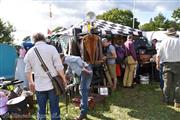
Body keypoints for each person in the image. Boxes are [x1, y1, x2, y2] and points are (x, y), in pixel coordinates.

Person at [24, 33, 67, 120]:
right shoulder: (51, 48)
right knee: (54, 109)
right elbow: (59, 66)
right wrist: (63, 78)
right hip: (53, 86)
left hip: (39, 86)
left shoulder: (29, 52)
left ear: (34, 40)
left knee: (41, 111)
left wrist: (31, 83)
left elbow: (27, 71)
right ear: (44, 39)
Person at [60, 54, 93, 120]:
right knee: (82, 90)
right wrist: (67, 74)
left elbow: (78, 58)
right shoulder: (68, 60)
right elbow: (70, 68)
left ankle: (83, 114)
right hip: (84, 72)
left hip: (85, 71)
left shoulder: (67, 58)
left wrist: (82, 67)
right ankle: (85, 105)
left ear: (61, 58)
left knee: (83, 91)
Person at [156, 28, 180, 108]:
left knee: (167, 84)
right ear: (174, 33)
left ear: (168, 34)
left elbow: (158, 55)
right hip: (178, 64)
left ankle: (167, 100)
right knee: (178, 84)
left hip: (166, 64)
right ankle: (177, 102)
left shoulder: (164, 42)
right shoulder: (179, 41)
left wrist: (157, 64)